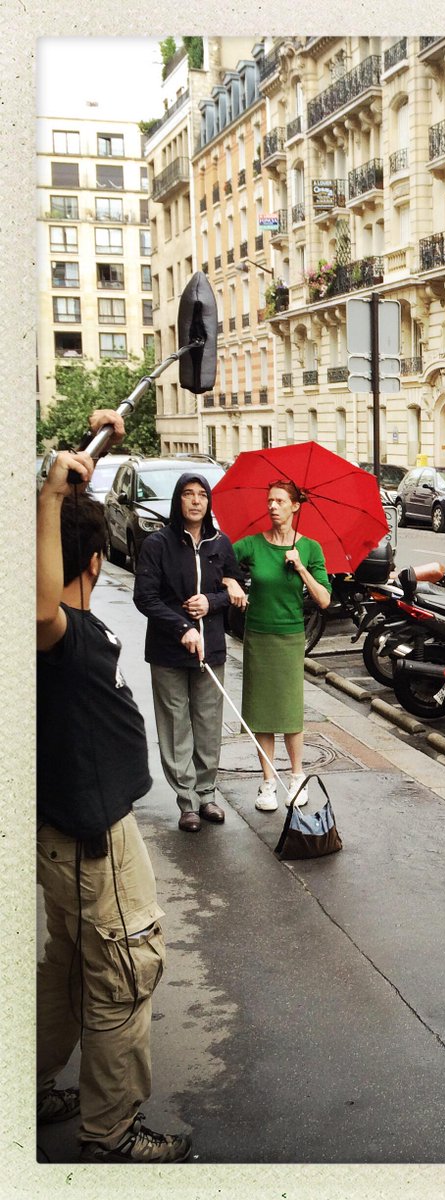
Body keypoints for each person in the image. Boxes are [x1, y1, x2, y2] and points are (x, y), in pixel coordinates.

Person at [36, 413, 192, 1163]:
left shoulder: (65, 621)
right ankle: (110, 1132)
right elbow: (40, 608)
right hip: (88, 842)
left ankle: (29, 1088)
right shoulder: (51, 630)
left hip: (77, 834)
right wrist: (45, 502)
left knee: (67, 966)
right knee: (124, 974)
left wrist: (90, 447)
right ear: (97, 559)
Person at [133, 473, 246, 832]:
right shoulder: (158, 544)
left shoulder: (220, 543)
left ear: (208, 502)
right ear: (178, 501)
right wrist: (182, 627)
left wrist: (211, 601)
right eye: (188, 494)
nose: (196, 501)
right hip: (168, 651)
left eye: (202, 495)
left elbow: (237, 587)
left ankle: (207, 793)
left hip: (210, 649)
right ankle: (186, 801)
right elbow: (145, 597)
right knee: (175, 725)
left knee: (208, 723)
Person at [233, 479, 331, 811]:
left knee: (289, 711)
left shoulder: (311, 548)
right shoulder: (251, 545)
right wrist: (231, 582)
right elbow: (218, 563)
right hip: (258, 636)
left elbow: (324, 599)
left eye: (279, 501)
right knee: (261, 711)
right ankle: (267, 783)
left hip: (290, 637)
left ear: (295, 506)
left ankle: (297, 777)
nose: (272, 506)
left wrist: (301, 567)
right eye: (269, 500)